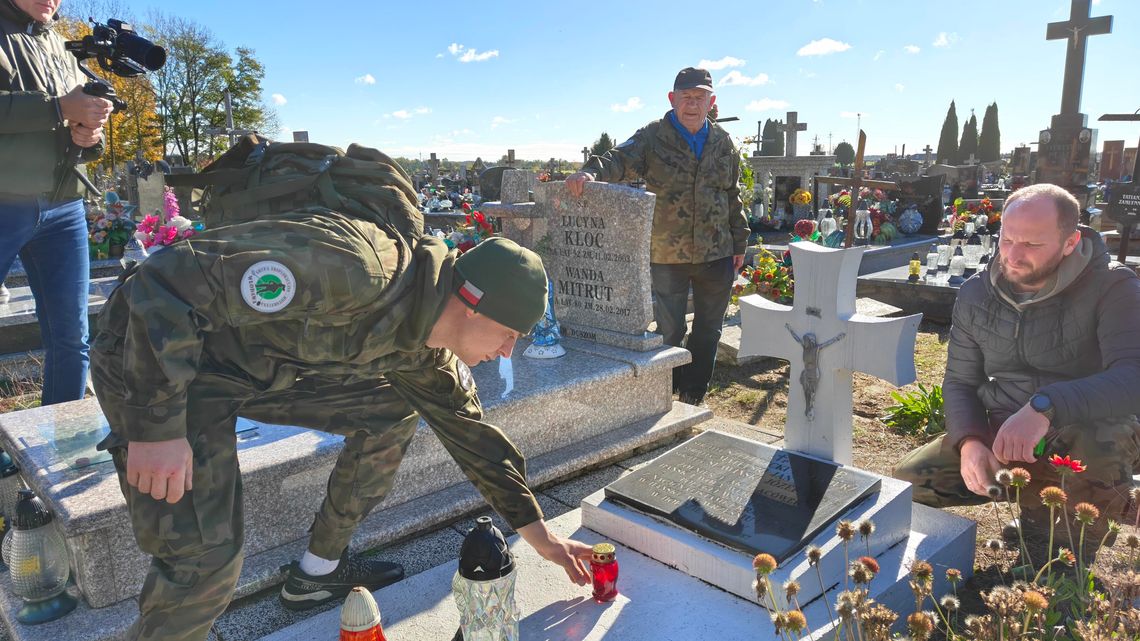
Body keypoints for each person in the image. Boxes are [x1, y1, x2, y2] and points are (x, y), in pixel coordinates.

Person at [90, 148, 593, 641]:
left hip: (250, 368)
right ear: (473, 304)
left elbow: (475, 438)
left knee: (393, 409)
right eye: (509, 334)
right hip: (156, 359)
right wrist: (156, 428)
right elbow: (168, 280)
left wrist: (542, 537)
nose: (507, 352)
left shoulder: (427, 349)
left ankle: (318, 570)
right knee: (204, 562)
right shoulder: (356, 269)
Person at [894, 183, 1140, 559]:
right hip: (1008, 427)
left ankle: (1066, 548)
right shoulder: (977, 293)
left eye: (1032, 244)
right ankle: (1036, 506)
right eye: (1007, 239)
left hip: (1092, 426)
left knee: (1093, 444)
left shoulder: (1113, 286)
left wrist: (1046, 407)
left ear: (1070, 242)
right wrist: (970, 441)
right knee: (909, 483)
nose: (1013, 255)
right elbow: (960, 381)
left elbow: (1132, 375)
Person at [566, 67, 748, 405]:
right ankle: (665, 392)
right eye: (686, 97)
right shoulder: (653, 136)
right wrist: (590, 173)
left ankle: (693, 395)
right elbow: (618, 158)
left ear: (711, 102)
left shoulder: (723, 142)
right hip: (668, 253)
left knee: (709, 330)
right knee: (670, 330)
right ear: (672, 99)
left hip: (717, 251)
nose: (692, 104)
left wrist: (740, 243)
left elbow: (732, 195)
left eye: (700, 97)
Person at [1, 0, 113, 403]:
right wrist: (59, 107)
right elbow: (58, 109)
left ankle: (63, 436)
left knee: (72, 337)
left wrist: (90, 137)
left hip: (64, 206)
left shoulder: (62, 46)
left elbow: (80, 128)